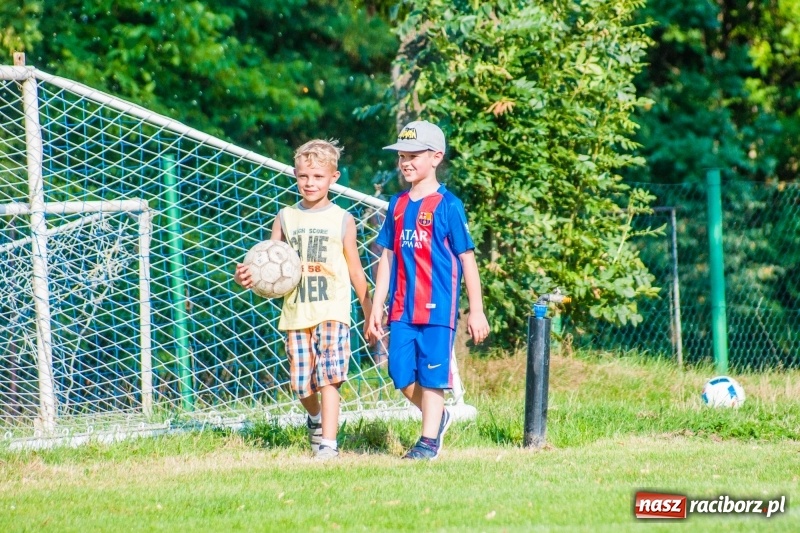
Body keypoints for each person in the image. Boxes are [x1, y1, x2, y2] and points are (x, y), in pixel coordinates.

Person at [234, 139, 372, 459]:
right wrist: (245, 278)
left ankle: (329, 445)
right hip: (297, 312)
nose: (310, 183)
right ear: (295, 175)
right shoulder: (285, 217)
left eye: (318, 177)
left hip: (333, 309)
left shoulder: (342, 219)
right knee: (301, 384)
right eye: (303, 176)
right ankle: (315, 419)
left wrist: (368, 310)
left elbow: (354, 268)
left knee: (330, 377)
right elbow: (266, 264)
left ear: (333, 178)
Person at [367, 120, 490, 460]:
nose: (405, 162)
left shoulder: (449, 205)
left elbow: (467, 260)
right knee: (400, 372)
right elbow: (388, 260)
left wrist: (476, 310)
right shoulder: (397, 204)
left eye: (414, 156)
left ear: (436, 157)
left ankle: (428, 442)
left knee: (433, 376)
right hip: (402, 308)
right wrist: (377, 306)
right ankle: (440, 417)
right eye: (401, 156)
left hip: (438, 308)